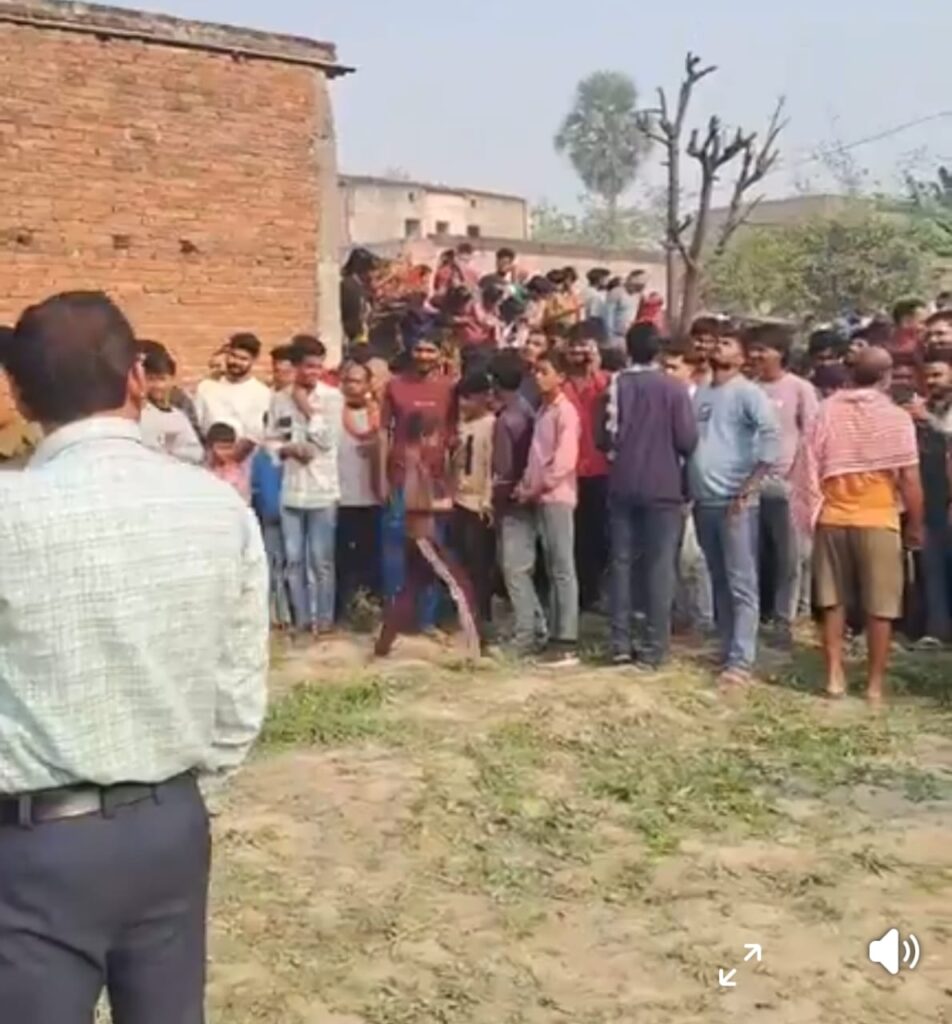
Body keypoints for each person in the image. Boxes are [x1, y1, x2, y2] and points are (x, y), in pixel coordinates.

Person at [0, 290, 268, 1023]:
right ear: (136, 380)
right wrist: (189, 794)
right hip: (169, 827)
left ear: (19, 396)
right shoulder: (218, 508)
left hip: (35, 842)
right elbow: (239, 690)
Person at [793, 347, 923, 705]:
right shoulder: (896, 418)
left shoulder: (826, 411)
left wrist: (809, 511)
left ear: (850, 374)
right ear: (886, 377)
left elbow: (808, 465)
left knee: (832, 602)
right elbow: (910, 479)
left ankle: (834, 677)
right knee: (881, 606)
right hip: (879, 519)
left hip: (832, 517)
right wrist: (916, 524)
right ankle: (874, 685)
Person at [689, 325, 781, 686]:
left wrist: (749, 487)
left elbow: (771, 438)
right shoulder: (702, 392)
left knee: (741, 581)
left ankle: (742, 660)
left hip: (735, 501)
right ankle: (727, 646)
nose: (717, 346)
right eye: (716, 341)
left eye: (726, 343)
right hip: (704, 499)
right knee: (718, 578)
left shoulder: (748, 393)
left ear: (741, 358)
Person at [604, 327, 698, 668]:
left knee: (622, 563)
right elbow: (687, 439)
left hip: (623, 481)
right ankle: (655, 646)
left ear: (628, 349)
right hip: (664, 485)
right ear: (658, 352)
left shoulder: (617, 383)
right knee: (660, 566)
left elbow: (607, 434)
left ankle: (620, 642)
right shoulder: (675, 388)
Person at [747, 323, 819, 648]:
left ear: (781, 353)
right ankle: (755, 615)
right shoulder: (748, 389)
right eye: (753, 349)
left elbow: (812, 436)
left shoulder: (800, 389)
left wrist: (800, 478)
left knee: (789, 558)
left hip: (787, 482)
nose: (756, 355)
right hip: (750, 482)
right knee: (754, 554)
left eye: (763, 349)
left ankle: (784, 619)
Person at [266, 336, 343, 638]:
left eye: (318, 367)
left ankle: (323, 621)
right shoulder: (278, 398)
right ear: (295, 366)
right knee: (294, 559)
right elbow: (271, 439)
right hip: (291, 489)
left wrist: (308, 410)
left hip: (323, 489)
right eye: (308, 366)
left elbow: (329, 441)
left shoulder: (332, 398)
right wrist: (287, 450)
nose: (313, 372)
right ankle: (300, 621)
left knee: (321, 560)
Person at [379, 332, 456, 631]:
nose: (424, 356)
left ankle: (426, 620)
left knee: (431, 551)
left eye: (430, 350)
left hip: (434, 481)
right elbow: (383, 434)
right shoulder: (394, 386)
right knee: (396, 551)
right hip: (400, 478)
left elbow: (453, 437)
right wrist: (381, 478)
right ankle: (396, 617)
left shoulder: (449, 388)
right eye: (419, 349)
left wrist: (451, 482)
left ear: (440, 354)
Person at [512, 350, 581, 667]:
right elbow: (536, 458)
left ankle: (566, 641)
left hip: (557, 497)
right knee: (553, 568)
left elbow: (563, 463)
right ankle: (555, 635)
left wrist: (535, 488)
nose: (538, 377)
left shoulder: (566, 412)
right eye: (536, 371)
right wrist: (527, 485)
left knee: (562, 568)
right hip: (541, 496)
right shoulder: (543, 410)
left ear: (561, 377)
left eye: (544, 371)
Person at [491, 350, 544, 655]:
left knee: (514, 569)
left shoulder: (506, 420)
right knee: (521, 567)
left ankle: (525, 635)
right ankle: (536, 626)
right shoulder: (528, 410)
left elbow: (503, 470)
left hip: (513, 500)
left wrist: (494, 500)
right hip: (530, 495)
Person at [563, 323, 610, 611]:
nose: (579, 351)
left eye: (585, 345)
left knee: (598, 534)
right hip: (567, 470)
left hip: (599, 468)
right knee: (572, 536)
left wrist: (596, 372)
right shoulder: (559, 384)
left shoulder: (606, 383)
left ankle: (593, 592)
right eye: (575, 345)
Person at [908, 353, 952, 642]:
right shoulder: (921, 408)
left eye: (938, 375)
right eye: (927, 376)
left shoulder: (934, 415)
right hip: (928, 498)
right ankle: (937, 629)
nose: (931, 381)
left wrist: (929, 421)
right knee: (931, 566)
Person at [449, 372, 496, 638]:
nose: (463, 404)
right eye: (461, 398)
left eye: (469, 398)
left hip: (478, 503)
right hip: (459, 499)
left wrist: (487, 501)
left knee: (480, 564)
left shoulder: (490, 425)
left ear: (483, 397)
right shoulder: (460, 426)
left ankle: (481, 618)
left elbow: (490, 466)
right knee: (461, 561)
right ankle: (463, 614)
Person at [336, 360, 382, 619]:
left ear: (367, 384)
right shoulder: (332, 413)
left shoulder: (380, 415)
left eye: (357, 381)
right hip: (340, 498)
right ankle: (343, 610)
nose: (352, 386)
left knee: (370, 558)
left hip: (372, 498)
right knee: (343, 559)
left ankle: (369, 609)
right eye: (348, 381)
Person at [194, 333, 271, 444]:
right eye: (233, 356)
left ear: (254, 360)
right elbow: (197, 426)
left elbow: (258, 434)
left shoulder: (262, 394)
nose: (236, 362)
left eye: (243, 359)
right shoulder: (206, 387)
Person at [139, 347, 204, 464]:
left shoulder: (180, 413)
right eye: (151, 379)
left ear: (172, 380)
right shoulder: (138, 412)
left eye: (162, 379)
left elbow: (195, 451)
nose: (157, 386)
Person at [206, 421, 252, 502]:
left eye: (229, 447)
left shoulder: (242, 470)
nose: (226, 452)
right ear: (210, 448)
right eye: (221, 448)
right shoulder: (202, 470)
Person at [605, 271, 646, 348]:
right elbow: (608, 316)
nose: (641, 287)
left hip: (630, 336)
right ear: (631, 279)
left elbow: (638, 314)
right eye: (639, 284)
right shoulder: (616, 292)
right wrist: (610, 336)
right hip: (616, 336)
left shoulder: (638, 295)